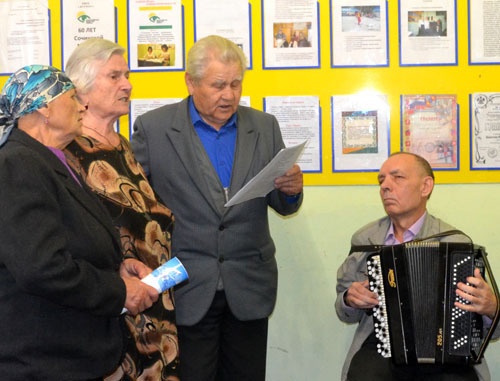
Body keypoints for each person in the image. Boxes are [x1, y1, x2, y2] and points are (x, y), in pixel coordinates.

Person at [131, 35, 304, 381]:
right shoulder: (154, 129)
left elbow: (283, 204)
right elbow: (135, 209)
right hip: (184, 287)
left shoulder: (264, 126)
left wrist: (291, 191)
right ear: (190, 82)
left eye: (236, 84)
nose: (229, 95)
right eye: (219, 85)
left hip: (249, 285)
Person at [0, 65, 158, 380]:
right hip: (43, 359)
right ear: (44, 107)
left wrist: (117, 265)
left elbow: (72, 239)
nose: (82, 105)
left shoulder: (50, 159)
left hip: (67, 354)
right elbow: (42, 266)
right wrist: (117, 291)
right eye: (72, 97)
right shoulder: (19, 164)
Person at [64, 38, 180, 380]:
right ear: (81, 91)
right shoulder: (70, 154)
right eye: (114, 76)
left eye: (126, 75)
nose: (127, 84)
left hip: (156, 308)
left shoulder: (123, 146)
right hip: (112, 315)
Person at [336, 152, 499, 381]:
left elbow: (491, 330)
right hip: (381, 346)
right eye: (381, 180)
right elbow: (343, 311)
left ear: (426, 187)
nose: (385, 187)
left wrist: (491, 308)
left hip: (444, 351)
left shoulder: (456, 244)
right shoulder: (365, 239)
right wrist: (349, 299)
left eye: (397, 177)